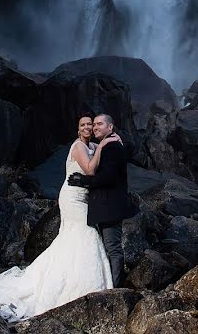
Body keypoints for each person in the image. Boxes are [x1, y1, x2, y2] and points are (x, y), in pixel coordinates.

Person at [0, 115, 120, 321]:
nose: (88, 127)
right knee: (85, 233)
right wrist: (105, 143)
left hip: (84, 197)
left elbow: (107, 153)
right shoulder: (79, 146)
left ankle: (67, 277)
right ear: (78, 130)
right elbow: (90, 169)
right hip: (73, 197)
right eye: (84, 125)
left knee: (71, 239)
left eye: (91, 124)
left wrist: (110, 141)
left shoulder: (93, 147)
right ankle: (78, 286)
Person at [67, 113, 133, 287]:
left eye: (98, 124)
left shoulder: (110, 147)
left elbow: (107, 177)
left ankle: (114, 287)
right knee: (98, 243)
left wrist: (83, 181)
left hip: (108, 205)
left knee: (112, 248)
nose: (93, 127)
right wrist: (108, 141)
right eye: (90, 124)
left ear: (110, 127)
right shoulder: (101, 145)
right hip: (86, 201)